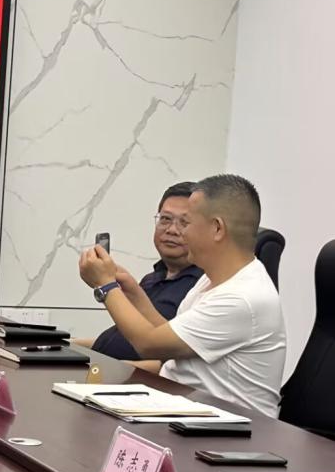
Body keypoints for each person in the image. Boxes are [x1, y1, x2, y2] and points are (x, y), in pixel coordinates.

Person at [77, 173, 285, 416]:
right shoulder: (213, 279)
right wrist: (131, 290)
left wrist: (105, 286)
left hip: (226, 428)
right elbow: (166, 337)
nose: (179, 233)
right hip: (185, 409)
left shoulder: (242, 297)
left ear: (217, 228)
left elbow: (149, 345)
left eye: (186, 223)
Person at [76, 182, 203, 360]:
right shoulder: (151, 279)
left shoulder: (203, 286)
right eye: (165, 219)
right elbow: (118, 341)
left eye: (184, 222)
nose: (172, 230)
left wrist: (105, 285)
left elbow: (169, 360)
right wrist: (63, 344)